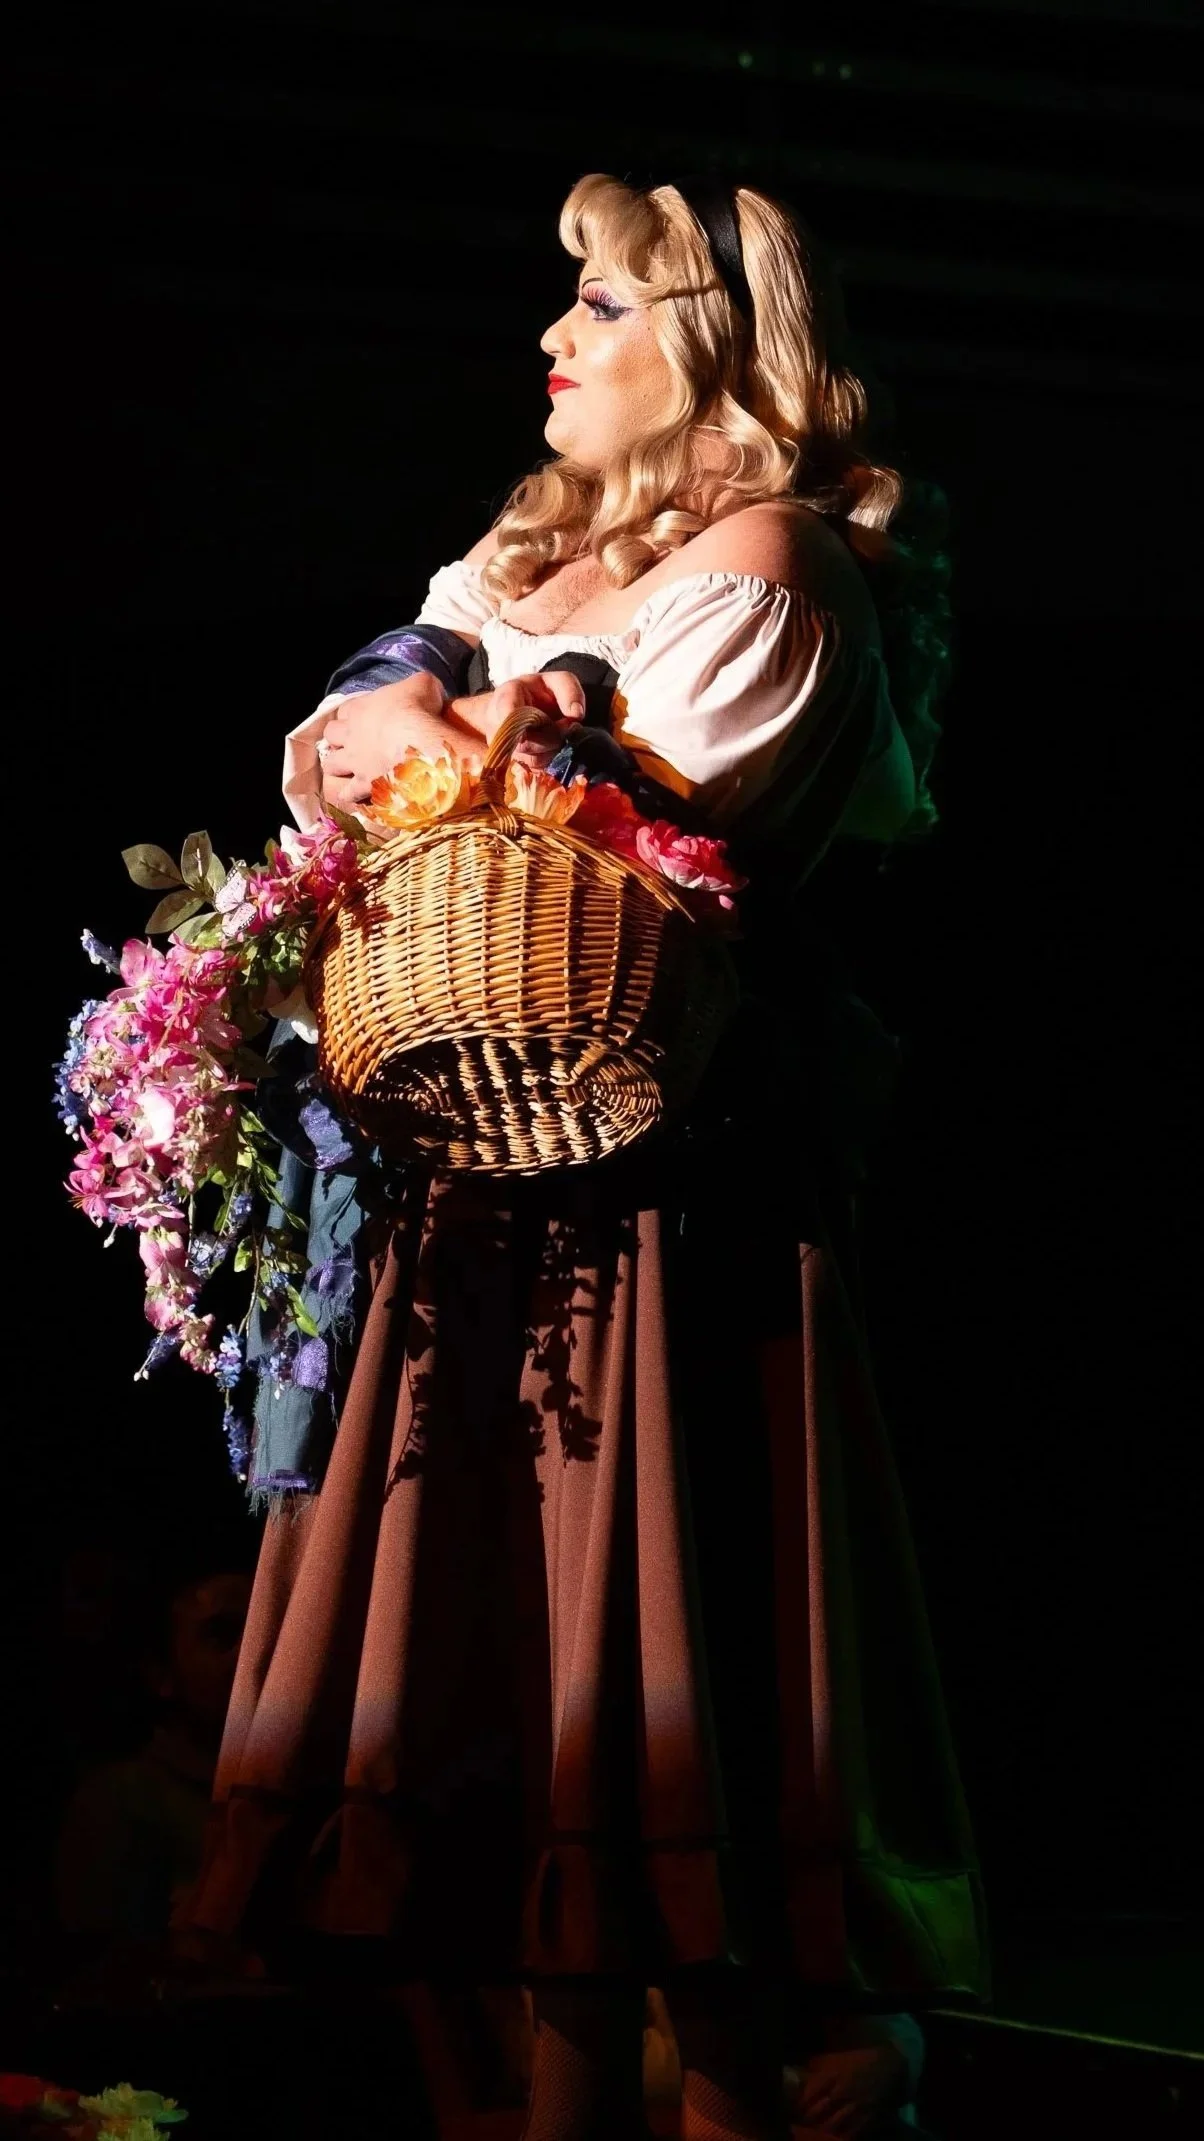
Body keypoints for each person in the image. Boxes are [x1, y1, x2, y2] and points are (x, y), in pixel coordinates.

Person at [179, 174, 988, 2139]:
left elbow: (623, 874)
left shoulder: (770, 568)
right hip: (474, 1187)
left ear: (710, 345)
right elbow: (345, 757)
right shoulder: (520, 549)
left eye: (604, 307)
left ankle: (733, 2074)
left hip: (659, 1207)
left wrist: (468, 747)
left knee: (655, 1693)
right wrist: (416, 736)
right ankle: (552, 2085)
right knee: (496, 1701)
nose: (553, 342)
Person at [57, 1560, 251, 1971]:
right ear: (161, 1675)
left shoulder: (302, 1795)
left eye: (264, 1629)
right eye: (223, 1634)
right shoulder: (122, 1801)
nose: (253, 1652)